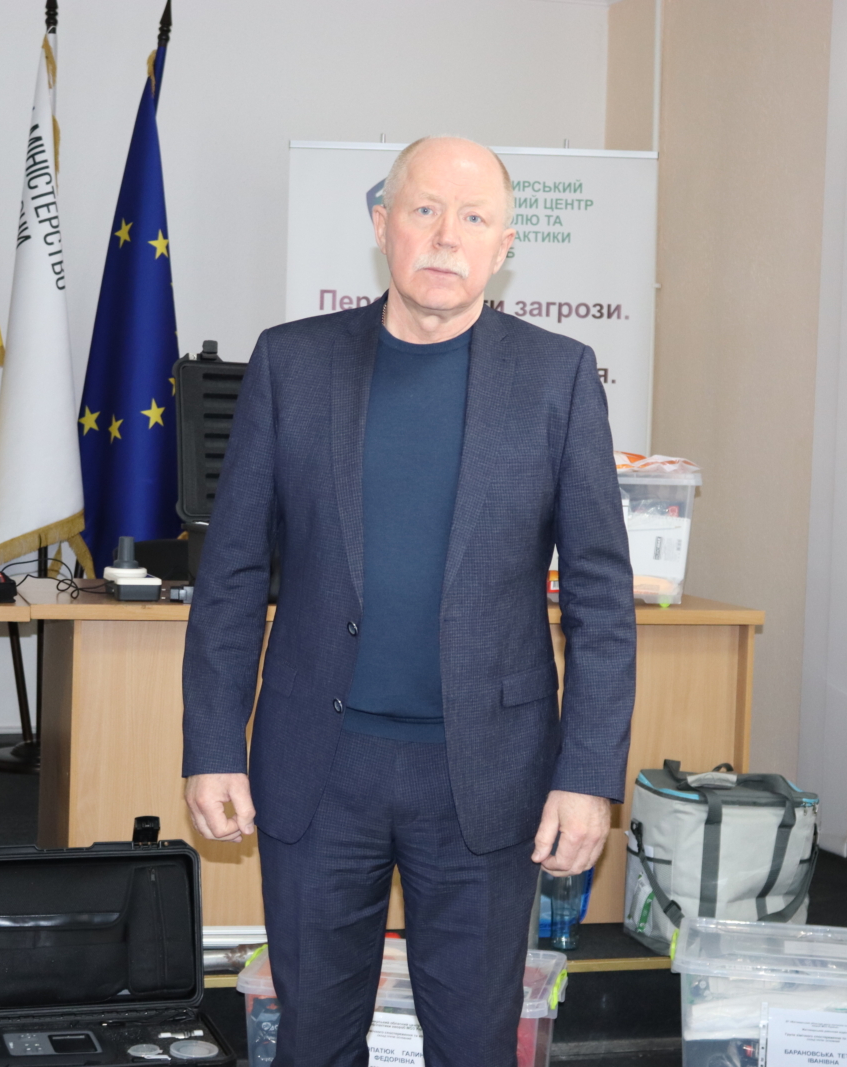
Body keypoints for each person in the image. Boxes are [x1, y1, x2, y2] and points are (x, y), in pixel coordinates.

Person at [182, 136, 636, 1066]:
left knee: (472, 1044)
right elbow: (231, 573)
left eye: (473, 217)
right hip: (318, 769)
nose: (445, 235)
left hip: (487, 776)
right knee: (314, 1039)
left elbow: (601, 597)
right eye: (424, 209)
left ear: (504, 245)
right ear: (382, 223)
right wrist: (214, 743)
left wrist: (588, 774)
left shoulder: (557, 377)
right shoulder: (291, 363)